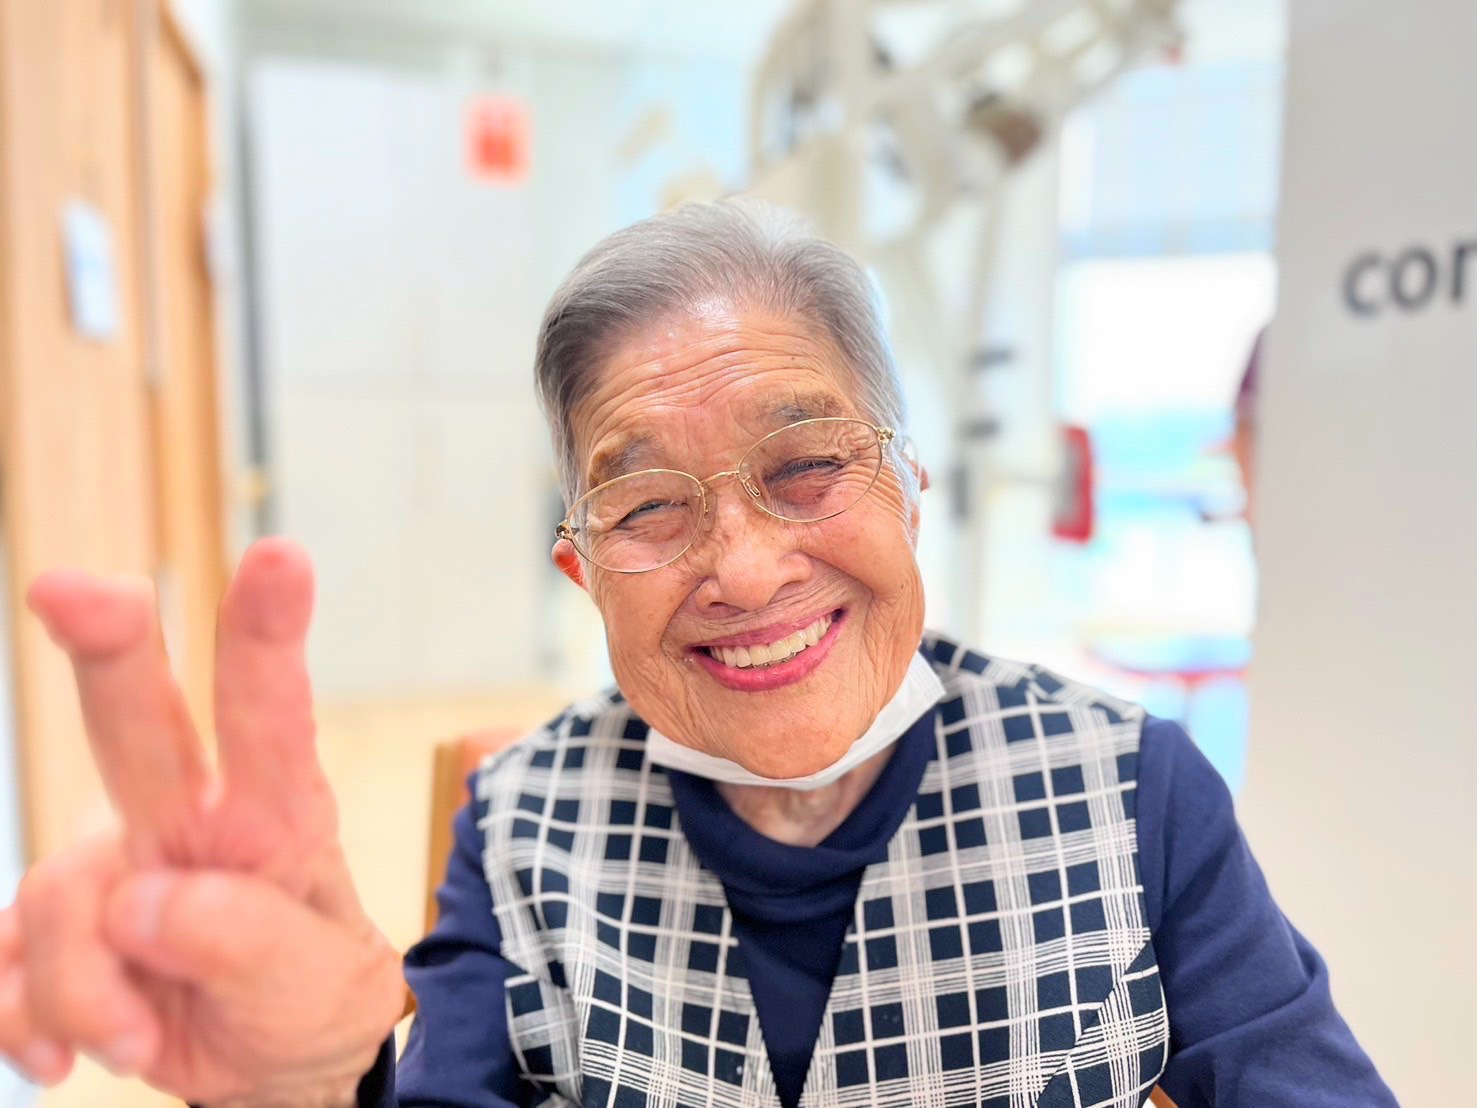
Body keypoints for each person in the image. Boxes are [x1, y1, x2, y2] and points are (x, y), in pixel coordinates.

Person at [0, 201, 1396, 1107]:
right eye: (648, 507)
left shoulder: (1129, 789)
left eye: (805, 466)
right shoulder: (525, 821)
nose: (745, 567)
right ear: (581, 568)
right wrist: (329, 1083)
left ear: (908, 484)